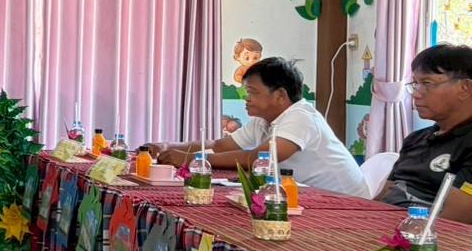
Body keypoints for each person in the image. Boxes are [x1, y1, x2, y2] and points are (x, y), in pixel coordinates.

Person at [142, 57, 368, 197]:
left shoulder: (302, 117)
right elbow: (219, 145)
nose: (247, 99)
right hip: (306, 198)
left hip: (346, 205)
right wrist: (167, 146)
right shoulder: (264, 120)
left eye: (253, 93)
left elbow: (260, 158)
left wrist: (192, 159)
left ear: (280, 95)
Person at [379, 44, 472, 223]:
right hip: (384, 228)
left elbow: (453, 222)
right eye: (415, 84)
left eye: (427, 83)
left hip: (427, 236)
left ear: (465, 88)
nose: (416, 94)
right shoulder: (414, 140)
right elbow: (382, 198)